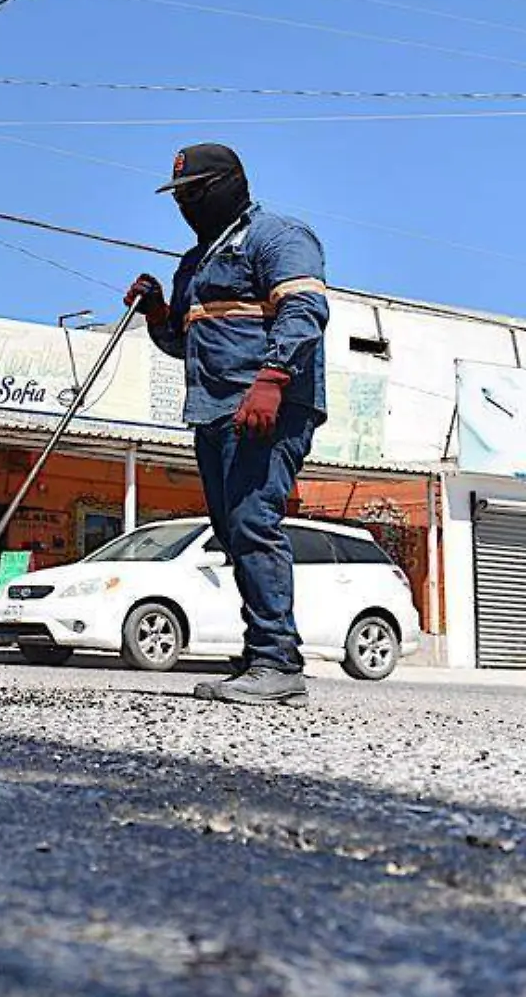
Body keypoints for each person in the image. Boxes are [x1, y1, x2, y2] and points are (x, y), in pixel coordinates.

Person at [126, 142, 329, 707]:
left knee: (254, 522)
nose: (184, 204)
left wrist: (272, 378)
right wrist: (158, 312)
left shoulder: (276, 236)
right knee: (235, 531)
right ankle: (262, 651)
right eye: (178, 197)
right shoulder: (194, 263)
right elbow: (183, 343)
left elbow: (305, 312)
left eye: (192, 193)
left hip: (268, 407)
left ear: (224, 186)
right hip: (214, 412)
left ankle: (277, 662)